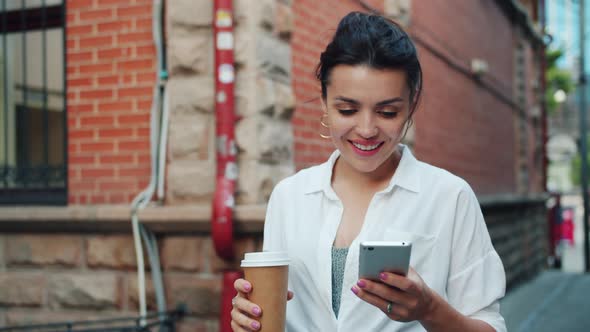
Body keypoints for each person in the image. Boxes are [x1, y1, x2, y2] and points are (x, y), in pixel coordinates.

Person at [231, 11, 506, 332]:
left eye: (387, 111)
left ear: (412, 103)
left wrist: (429, 308)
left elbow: (490, 326)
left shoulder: (449, 196)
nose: (366, 129)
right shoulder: (288, 196)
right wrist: (248, 320)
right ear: (323, 100)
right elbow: (272, 315)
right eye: (347, 109)